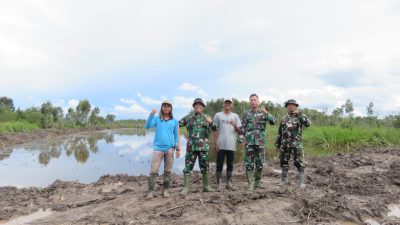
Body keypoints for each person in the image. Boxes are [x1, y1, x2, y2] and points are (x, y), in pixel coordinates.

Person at [179, 98, 217, 195]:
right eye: (196, 105)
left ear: (203, 107)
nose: (198, 106)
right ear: (194, 107)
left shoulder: (207, 117)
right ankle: (186, 188)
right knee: (188, 167)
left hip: (203, 147)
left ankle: (207, 187)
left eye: (200, 105)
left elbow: (215, 128)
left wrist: (211, 122)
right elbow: (176, 125)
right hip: (191, 146)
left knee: (205, 166)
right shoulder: (188, 117)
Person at [240, 94, 276, 191]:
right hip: (249, 143)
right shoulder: (246, 114)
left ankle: (258, 182)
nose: (253, 102)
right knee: (249, 163)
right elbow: (242, 128)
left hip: (260, 142)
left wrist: (266, 112)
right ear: (249, 102)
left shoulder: (263, 113)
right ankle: (250, 184)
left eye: (255, 100)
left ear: (258, 101)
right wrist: (241, 140)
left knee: (260, 163)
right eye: (251, 100)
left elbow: (274, 121)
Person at [145, 100, 180, 199]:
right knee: (153, 170)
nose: (166, 108)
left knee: (168, 170)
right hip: (158, 149)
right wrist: (151, 114)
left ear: (170, 109)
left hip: (169, 149)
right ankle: (151, 192)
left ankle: (165, 190)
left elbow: (176, 136)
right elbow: (147, 126)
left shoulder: (174, 121)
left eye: (168, 106)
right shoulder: (157, 119)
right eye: (164, 106)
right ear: (162, 108)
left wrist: (177, 149)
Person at [275, 99, 311, 188]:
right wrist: (278, 143)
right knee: (284, 162)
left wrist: (300, 114)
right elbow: (280, 132)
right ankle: (284, 180)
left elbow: (308, 124)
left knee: (300, 163)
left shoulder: (300, 116)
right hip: (285, 144)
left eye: (293, 105)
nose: (291, 106)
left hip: (296, 144)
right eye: (289, 105)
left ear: (296, 106)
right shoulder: (284, 118)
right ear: (287, 106)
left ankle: (301, 182)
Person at [213, 98, 242, 191]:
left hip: (231, 145)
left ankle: (228, 183)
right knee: (219, 165)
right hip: (220, 145)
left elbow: (240, 131)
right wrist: (216, 142)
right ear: (223, 104)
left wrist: (234, 125)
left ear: (231, 105)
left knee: (230, 164)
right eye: (226, 103)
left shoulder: (235, 116)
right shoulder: (218, 115)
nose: (227, 104)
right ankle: (218, 184)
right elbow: (215, 130)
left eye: (229, 103)